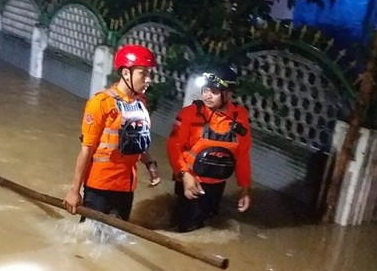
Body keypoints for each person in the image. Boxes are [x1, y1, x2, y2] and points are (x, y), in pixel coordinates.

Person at [64, 44, 161, 221]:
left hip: (126, 187)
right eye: (143, 74)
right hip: (100, 187)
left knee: (116, 238)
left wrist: (150, 163)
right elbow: (87, 149)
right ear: (125, 73)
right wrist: (74, 191)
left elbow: (135, 139)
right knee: (90, 239)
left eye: (149, 74)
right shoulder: (101, 103)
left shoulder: (140, 103)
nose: (148, 80)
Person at [166, 64, 252, 232]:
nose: (208, 95)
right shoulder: (189, 113)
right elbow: (174, 147)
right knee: (186, 227)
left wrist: (245, 189)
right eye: (205, 90)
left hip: (217, 185)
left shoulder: (239, 117)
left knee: (208, 225)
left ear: (228, 94)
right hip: (190, 181)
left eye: (214, 91)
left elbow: (243, 155)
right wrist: (184, 175)